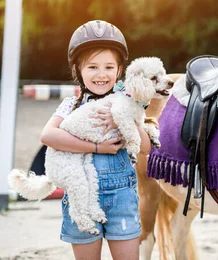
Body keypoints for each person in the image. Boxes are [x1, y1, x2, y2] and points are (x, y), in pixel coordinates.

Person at [40, 20, 151, 260]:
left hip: (122, 200)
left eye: (109, 67)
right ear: (78, 70)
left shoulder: (127, 105)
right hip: (82, 198)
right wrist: (96, 147)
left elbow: (147, 147)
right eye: (92, 67)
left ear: (120, 70)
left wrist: (123, 122)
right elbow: (48, 135)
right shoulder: (71, 106)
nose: (101, 75)